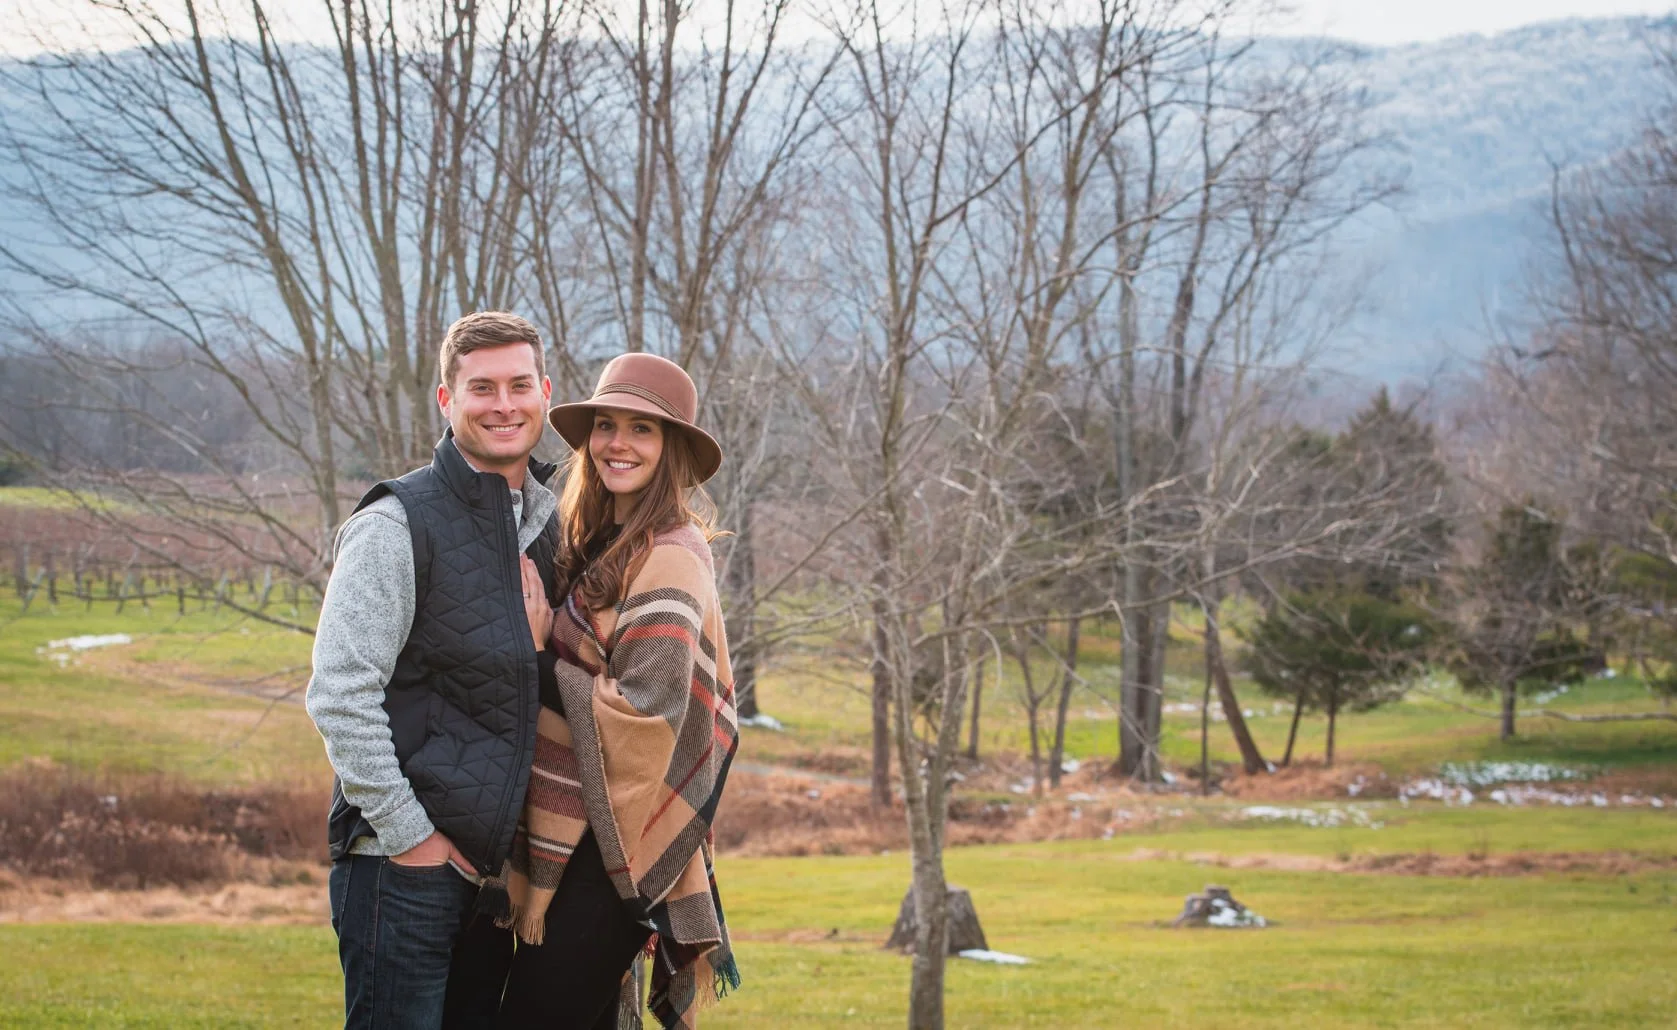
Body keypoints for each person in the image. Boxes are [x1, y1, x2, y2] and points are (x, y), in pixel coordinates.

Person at [445, 352, 740, 1030]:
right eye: (606, 425)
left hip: (615, 849)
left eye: (642, 429)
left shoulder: (671, 551)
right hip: (574, 831)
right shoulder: (603, 541)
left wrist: (537, 652)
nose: (617, 444)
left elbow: (647, 711)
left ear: (670, 449)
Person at [306, 311, 559, 1030]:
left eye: (518, 385)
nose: (503, 404)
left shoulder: (545, 523)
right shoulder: (397, 524)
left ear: (544, 393)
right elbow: (339, 694)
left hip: (491, 875)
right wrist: (410, 838)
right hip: (402, 868)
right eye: (482, 388)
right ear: (447, 402)